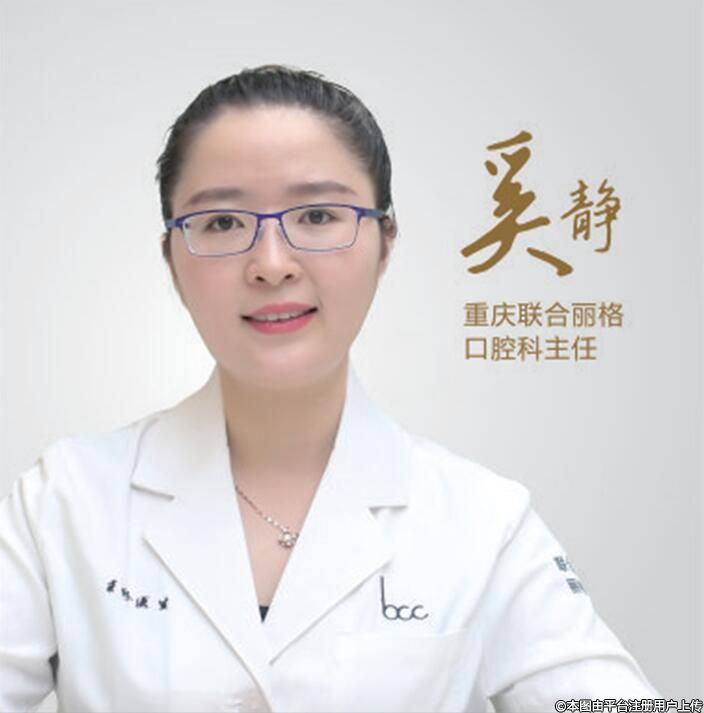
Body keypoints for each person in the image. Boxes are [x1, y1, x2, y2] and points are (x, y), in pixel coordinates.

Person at [0, 64, 660, 713]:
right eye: (222, 223)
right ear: (173, 259)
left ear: (385, 243)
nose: (271, 265)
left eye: (318, 215)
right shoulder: (63, 501)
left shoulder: (484, 521)